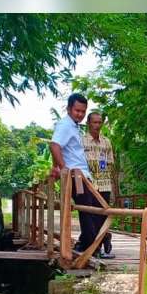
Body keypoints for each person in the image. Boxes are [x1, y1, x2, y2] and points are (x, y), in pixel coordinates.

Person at [49, 93, 101, 256]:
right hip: (76, 177)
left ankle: (85, 245)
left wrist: (56, 167)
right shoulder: (65, 125)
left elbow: (59, 148)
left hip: (82, 176)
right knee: (88, 212)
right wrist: (63, 169)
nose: (80, 114)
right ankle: (91, 249)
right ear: (69, 108)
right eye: (77, 110)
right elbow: (54, 145)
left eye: (83, 111)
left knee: (93, 211)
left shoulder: (73, 126)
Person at [82, 110, 118, 259]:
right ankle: (97, 245)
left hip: (104, 184)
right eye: (94, 122)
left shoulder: (106, 142)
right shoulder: (81, 141)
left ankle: (100, 243)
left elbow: (111, 165)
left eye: (99, 122)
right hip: (89, 184)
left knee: (102, 216)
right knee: (89, 215)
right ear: (88, 123)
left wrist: (114, 188)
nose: (97, 125)